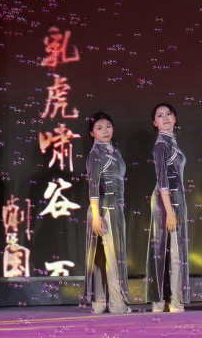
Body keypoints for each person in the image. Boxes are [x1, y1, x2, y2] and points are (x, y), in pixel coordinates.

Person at [85, 112, 130, 314]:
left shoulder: (115, 151)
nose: (105, 131)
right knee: (108, 258)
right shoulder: (96, 154)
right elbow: (94, 187)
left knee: (108, 257)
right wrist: (97, 215)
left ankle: (103, 302)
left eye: (108, 126)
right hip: (104, 210)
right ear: (92, 133)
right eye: (99, 128)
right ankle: (114, 305)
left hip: (115, 208)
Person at [145, 103, 189, 313]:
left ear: (175, 118)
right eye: (160, 115)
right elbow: (163, 181)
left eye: (168, 114)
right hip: (165, 202)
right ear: (154, 123)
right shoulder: (161, 145)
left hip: (177, 198)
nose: (165, 118)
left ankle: (174, 299)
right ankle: (162, 300)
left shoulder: (172, 142)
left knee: (176, 252)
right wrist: (170, 211)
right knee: (163, 250)